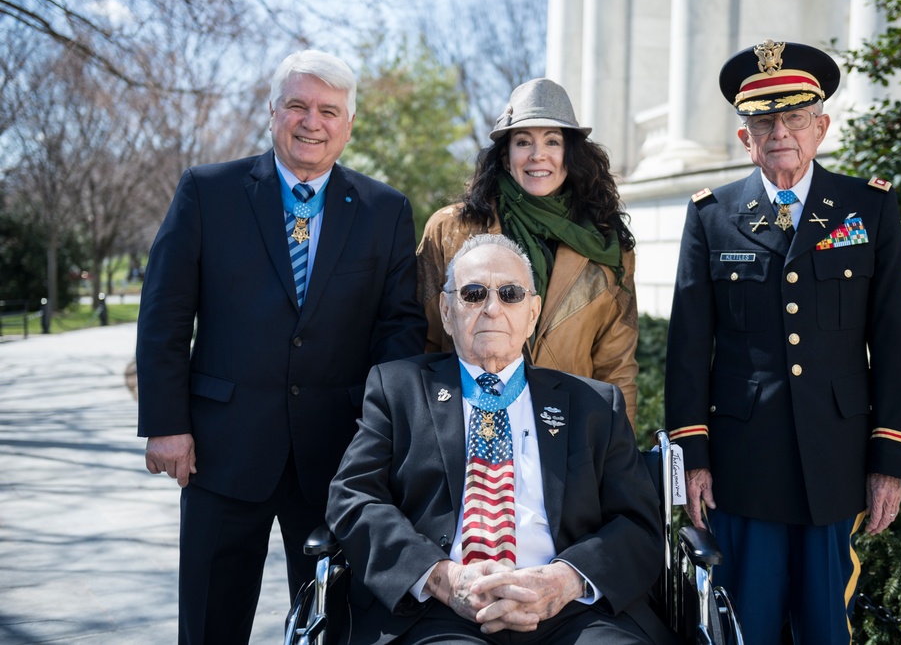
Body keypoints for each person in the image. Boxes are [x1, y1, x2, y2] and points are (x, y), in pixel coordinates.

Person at [136, 49, 427, 645]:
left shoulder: (385, 210)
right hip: (220, 450)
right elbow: (164, 315)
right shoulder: (207, 192)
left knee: (335, 623)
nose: (311, 121)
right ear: (272, 112)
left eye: (328, 110)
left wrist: (388, 438)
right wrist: (166, 423)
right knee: (212, 622)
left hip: (339, 455)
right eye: (297, 105)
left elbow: (398, 330)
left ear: (348, 124)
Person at [664, 39, 901, 644]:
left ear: (821, 126)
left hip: (837, 462)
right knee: (745, 628)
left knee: (827, 628)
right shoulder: (712, 215)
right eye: (763, 120)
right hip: (741, 466)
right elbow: (688, 348)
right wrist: (691, 460)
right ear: (743, 137)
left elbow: (893, 340)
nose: (780, 131)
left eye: (795, 117)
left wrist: (890, 462)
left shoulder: (867, 208)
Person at [329, 234, 671, 645]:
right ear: (446, 310)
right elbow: (353, 497)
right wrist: (443, 577)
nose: (492, 308)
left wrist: (564, 580)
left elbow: (638, 523)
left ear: (533, 312)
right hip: (436, 610)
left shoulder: (594, 404)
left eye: (510, 294)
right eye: (473, 294)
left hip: (571, 609)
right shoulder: (397, 388)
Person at [417, 78, 641, 425]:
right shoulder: (450, 230)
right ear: (505, 157)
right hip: (464, 426)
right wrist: (425, 432)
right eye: (524, 142)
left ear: (570, 153)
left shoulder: (609, 246)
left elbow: (617, 366)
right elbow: (425, 342)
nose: (538, 155)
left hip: (569, 435)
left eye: (552, 141)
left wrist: (617, 457)